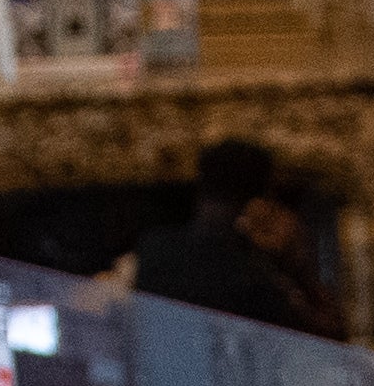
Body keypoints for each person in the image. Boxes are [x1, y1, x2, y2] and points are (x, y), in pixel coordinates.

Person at [130, 138, 333, 335]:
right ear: (258, 199)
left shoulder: (154, 248)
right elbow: (329, 333)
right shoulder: (252, 276)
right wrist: (294, 268)